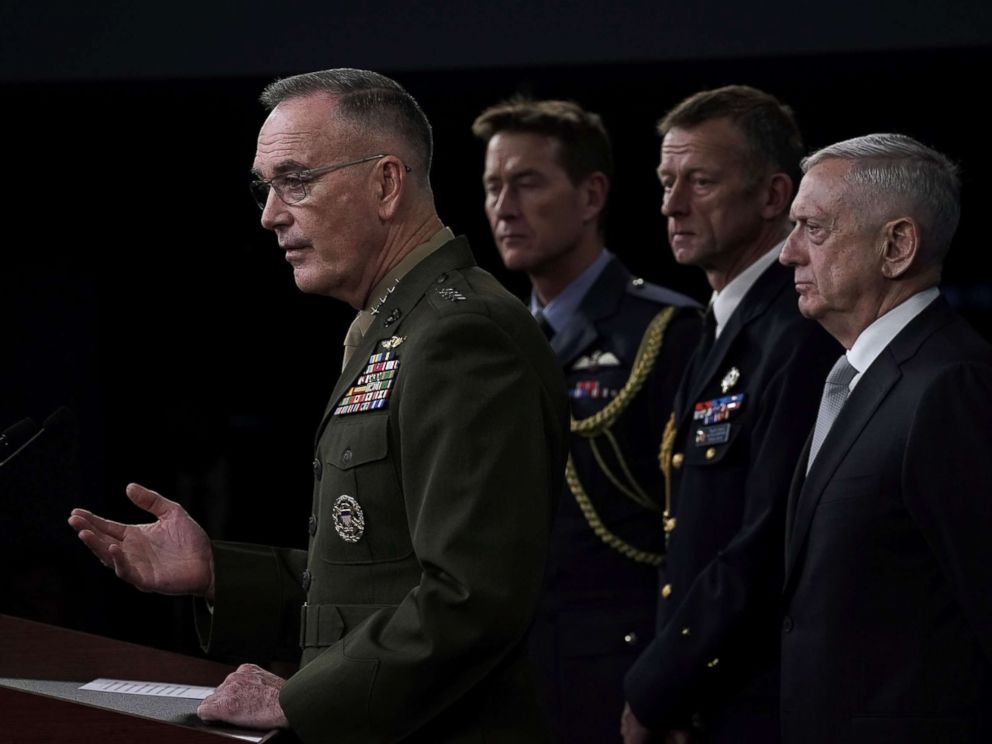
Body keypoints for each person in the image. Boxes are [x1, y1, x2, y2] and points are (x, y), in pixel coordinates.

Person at [68, 68, 569, 744]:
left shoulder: (461, 335)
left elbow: (471, 598)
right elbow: (377, 583)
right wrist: (217, 573)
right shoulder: (395, 327)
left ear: (386, 184)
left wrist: (301, 701)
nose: (271, 213)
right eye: (264, 187)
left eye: (296, 180)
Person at [472, 98, 701, 742]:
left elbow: (697, 529)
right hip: (506, 673)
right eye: (493, 186)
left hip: (620, 671)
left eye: (528, 182)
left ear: (592, 194)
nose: (504, 206)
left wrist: (671, 683)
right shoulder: (489, 340)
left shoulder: (666, 332)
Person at [621, 86, 839, 743]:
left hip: (754, 701)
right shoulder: (720, 326)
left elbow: (766, 542)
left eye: (701, 181)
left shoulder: (797, 332)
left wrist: (659, 685)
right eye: (666, 181)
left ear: (775, 197)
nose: (671, 204)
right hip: (707, 697)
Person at [778, 133, 992, 743]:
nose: (788, 253)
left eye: (812, 228)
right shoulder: (858, 375)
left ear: (897, 245)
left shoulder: (953, 386)